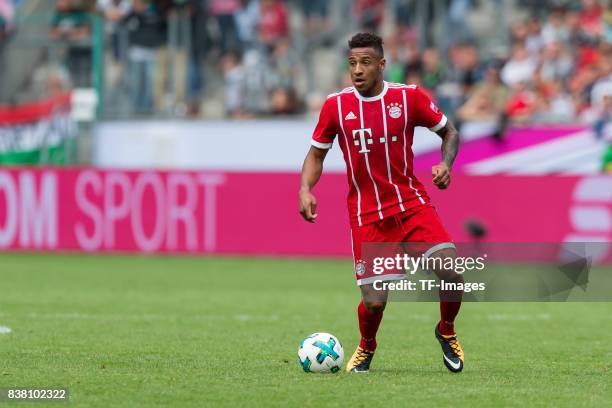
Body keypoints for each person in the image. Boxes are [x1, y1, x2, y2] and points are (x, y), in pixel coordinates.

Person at [298, 33, 464, 373]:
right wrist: (305, 188)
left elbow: (449, 131)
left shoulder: (409, 98)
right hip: (367, 215)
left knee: (452, 271)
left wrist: (446, 164)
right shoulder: (336, 106)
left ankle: (446, 331)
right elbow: (316, 153)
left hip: (411, 204)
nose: (357, 70)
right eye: (352, 64)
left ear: (382, 65)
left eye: (365, 63)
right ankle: (367, 345)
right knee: (374, 303)